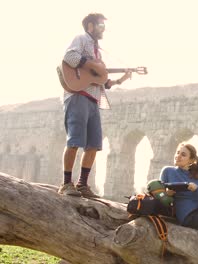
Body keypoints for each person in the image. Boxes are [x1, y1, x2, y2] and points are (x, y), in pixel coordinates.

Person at [58, 13, 132, 198]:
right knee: (74, 140)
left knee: (93, 144)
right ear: (90, 26)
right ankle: (66, 183)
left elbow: (102, 81)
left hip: (93, 99)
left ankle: (82, 184)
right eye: (100, 25)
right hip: (77, 96)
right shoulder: (81, 39)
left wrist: (121, 79)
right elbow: (69, 56)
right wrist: (92, 65)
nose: (103, 29)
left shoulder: (98, 51)